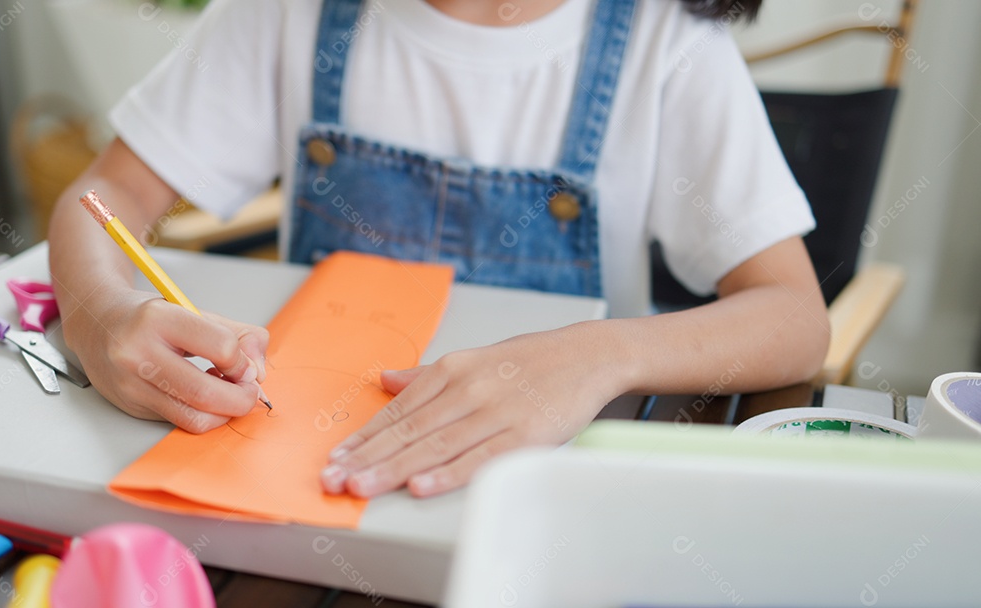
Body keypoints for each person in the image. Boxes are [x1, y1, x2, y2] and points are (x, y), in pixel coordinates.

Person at [48, 0, 829, 500]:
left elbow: (796, 318)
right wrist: (102, 316)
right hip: (312, 483)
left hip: (558, 502)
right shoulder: (284, 14)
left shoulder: (667, 38)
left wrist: (599, 356)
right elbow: (104, 199)